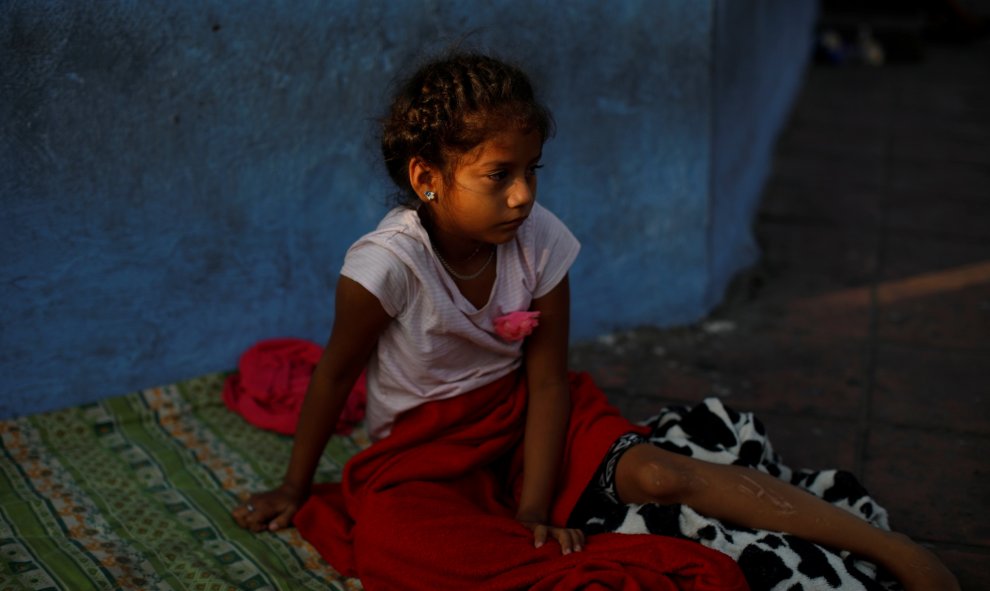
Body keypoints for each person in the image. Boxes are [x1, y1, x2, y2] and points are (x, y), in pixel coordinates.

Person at [232, 52, 958, 591]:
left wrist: (534, 507)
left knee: (660, 472)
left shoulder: (543, 238)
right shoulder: (385, 266)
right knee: (393, 546)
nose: (523, 196)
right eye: (499, 174)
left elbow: (547, 383)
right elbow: (333, 375)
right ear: (426, 177)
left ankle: (893, 550)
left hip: (525, 420)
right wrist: (296, 490)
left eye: (533, 170)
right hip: (420, 455)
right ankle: (596, 563)